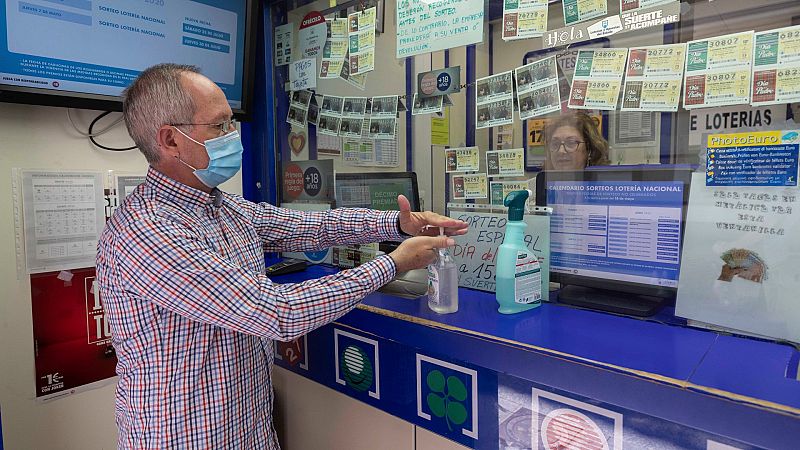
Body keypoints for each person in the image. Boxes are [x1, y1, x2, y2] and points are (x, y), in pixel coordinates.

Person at [96, 63, 468, 449]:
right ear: (170, 141)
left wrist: (397, 224)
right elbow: (279, 312)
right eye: (220, 126)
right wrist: (393, 263)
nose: (233, 136)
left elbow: (313, 227)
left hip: (249, 431)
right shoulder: (146, 232)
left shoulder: (221, 208)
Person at [544, 112, 610, 170]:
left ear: (589, 149)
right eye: (555, 144)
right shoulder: (537, 183)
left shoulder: (606, 183)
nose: (561, 151)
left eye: (571, 143)